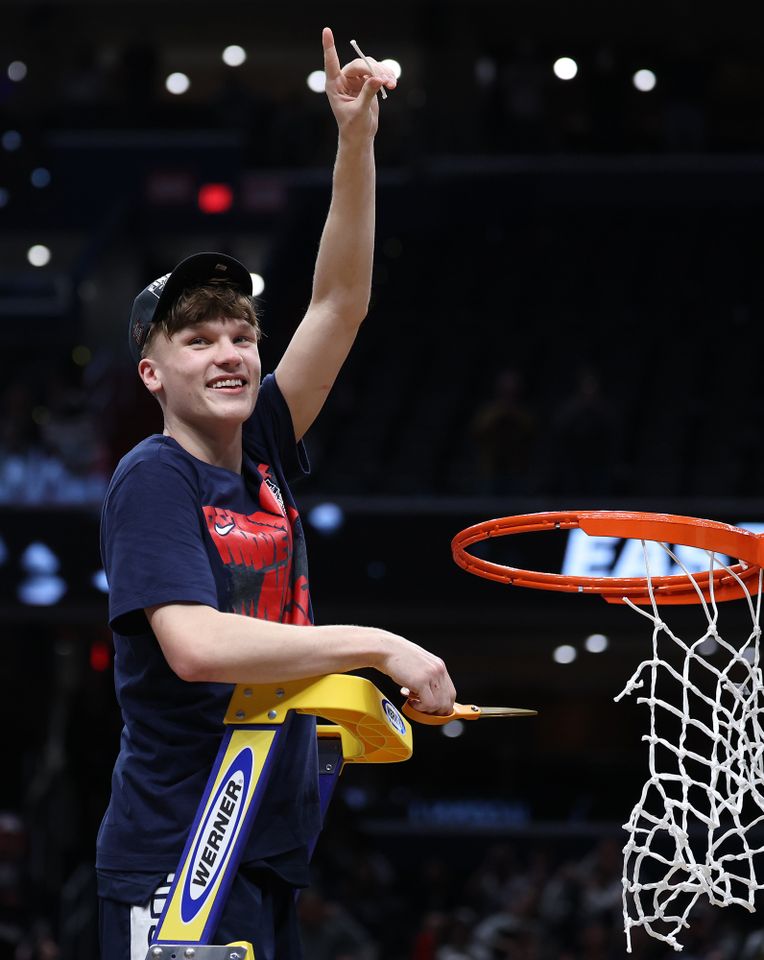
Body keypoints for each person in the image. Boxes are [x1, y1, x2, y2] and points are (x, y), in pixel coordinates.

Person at [97, 28, 457, 960]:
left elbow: (339, 302)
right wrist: (378, 642)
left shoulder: (263, 447)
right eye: (197, 339)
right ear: (151, 372)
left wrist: (354, 140)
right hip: (179, 861)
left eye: (240, 334)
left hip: (259, 855)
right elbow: (197, 644)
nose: (230, 353)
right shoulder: (153, 477)